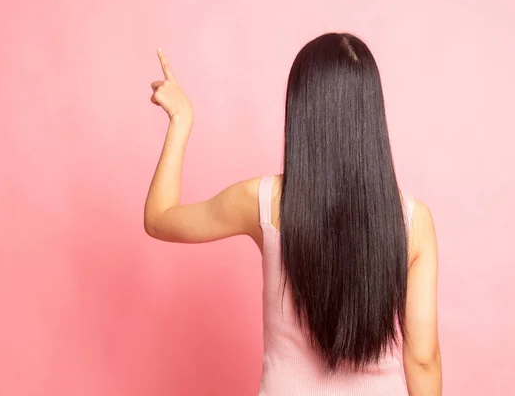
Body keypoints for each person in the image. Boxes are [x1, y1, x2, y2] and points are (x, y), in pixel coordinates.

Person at [144, 32, 442, 396]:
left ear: (300, 109)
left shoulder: (262, 201)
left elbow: (160, 218)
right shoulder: (414, 220)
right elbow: (423, 358)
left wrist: (181, 120)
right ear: (372, 112)